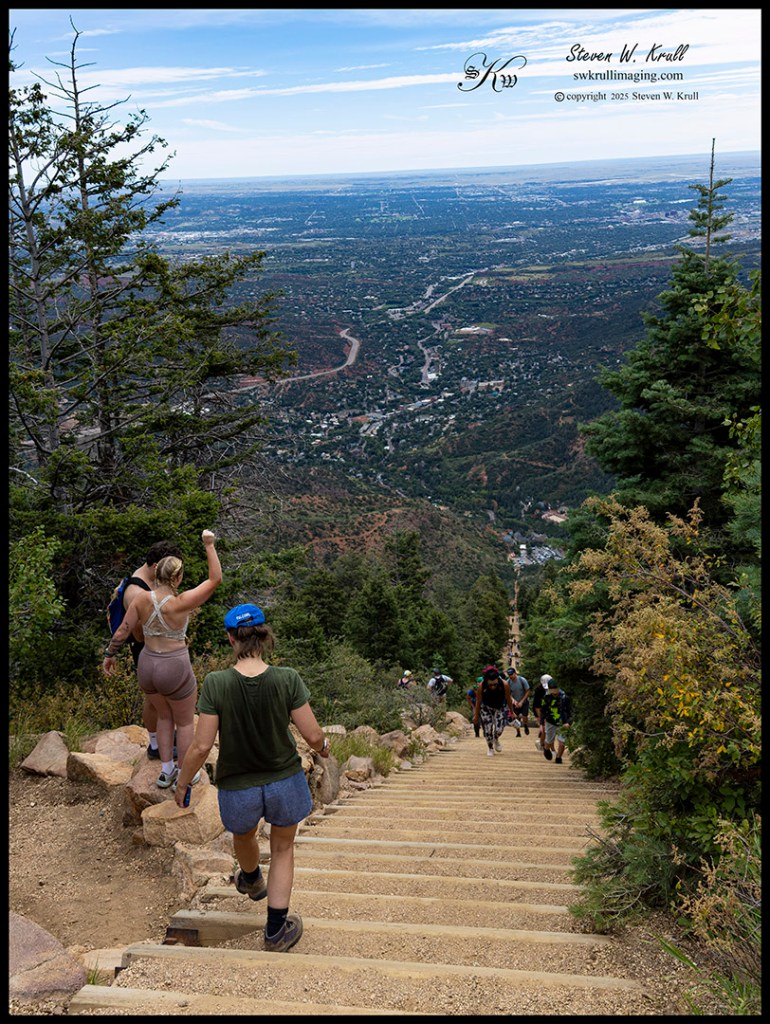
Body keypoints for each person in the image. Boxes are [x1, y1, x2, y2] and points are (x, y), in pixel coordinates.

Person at [173, 602, 330, 954]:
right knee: (283, 847)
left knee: (243, 835)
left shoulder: (216, 683)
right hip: (284, 780)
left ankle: (251, 876)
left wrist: (182, 782)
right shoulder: (287, 678)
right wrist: (322, 749)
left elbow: (200, 746)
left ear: (231, 639)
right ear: (265, 636)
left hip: (237, 784)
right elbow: (313, 734)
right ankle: (276, 931)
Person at [103, 529, 222, 788]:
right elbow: (215, 580)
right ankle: (185, 771)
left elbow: (124, 629)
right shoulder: (181, 602)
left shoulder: (140, 599)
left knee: (164, 716)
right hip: (173, 664)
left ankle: (166, 771)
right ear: (177, 577)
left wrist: (110, 654)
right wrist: (209, 545)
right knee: (184, 719)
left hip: (147, 664)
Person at [102, 539, 183, 760]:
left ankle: (166, 736)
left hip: (158, 648)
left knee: (164, 698)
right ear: (157, 565)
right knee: (154, 700)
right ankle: (155, 745)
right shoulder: (136, 592)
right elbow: (136, 633)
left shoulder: (152, 579)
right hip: (147, 650)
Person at [472, 665, 515, 756]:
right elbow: (478, 701)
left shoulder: (504, 685)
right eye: (490, 685)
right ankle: (490, 747)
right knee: (487, 729)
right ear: (486, 681)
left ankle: (496, 738)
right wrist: (476, 716)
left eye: (495, 684)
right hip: (486, 707)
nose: (493, 687)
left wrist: (512, 712)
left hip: (499, 706)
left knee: (499, 729)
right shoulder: (481, 686)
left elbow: (508, 699)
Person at [541, 675, 573, 763]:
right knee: (549, 740)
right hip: (550, 721)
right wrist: (541, 723)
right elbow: (543, 711)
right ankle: (546, 749)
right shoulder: (546, 697)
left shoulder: (565, 698)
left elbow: (571, 712)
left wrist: (569, 722)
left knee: (562, 742)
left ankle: (559, 757)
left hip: (563, 722)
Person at [505, 667, 531, 737]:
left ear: (515, 673)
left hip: (524, 700)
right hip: (514, 702)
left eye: (512, 674)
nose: (511, 676)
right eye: (509, 675)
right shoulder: (508, 682)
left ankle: (525, 725)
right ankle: (518, 732)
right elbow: (508, 693)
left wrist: (521, 702)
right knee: (515, 718)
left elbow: (528, 691)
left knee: (524, 716)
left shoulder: (522, 680)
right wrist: (514, 701)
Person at [531, 674, 551, 751]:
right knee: (543, 727)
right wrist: (540, 719)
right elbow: (537, 706)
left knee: (545, 729)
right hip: (539, 710)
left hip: (548, 710)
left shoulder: (552, 689)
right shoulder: (538, 691)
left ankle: (541, 742)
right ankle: (542, 743)